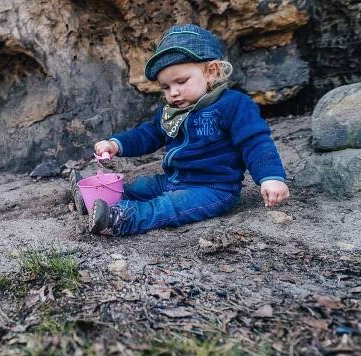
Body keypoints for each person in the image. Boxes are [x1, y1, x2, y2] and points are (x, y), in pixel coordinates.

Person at [71, 24, 289, 236]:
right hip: (174, 179)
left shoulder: (234, 104)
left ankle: (121, 219)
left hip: (212, 189)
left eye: (181, 81)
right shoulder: (172, 111)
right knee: (139, 186)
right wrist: (115, 144)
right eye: (166, 87)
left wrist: (270, 177)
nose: (173, 93)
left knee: (167, 206)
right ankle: (94, 200)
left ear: (211, 71)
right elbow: (148, 134)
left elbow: (256, 142)